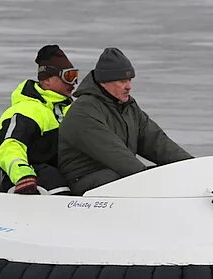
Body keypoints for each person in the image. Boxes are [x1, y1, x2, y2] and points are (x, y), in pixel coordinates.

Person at [58, 47, 193, 195]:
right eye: (122, 81)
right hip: (84, 180)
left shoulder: (128, 107)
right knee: (135, 179)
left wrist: (192, 167)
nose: (129, 86)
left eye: (129, 80)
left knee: (166, 174)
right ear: (104, 81)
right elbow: (115, 154)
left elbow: (157, 142)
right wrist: (148, 180)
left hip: (119, 173)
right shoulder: (84, 111)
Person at [0, 45, 78, 195]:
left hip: (65, 171)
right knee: (55, 180)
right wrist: (22, 174)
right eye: (68, 77)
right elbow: (10, 146)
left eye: (74, 76)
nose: (73, 84)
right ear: (46, 81)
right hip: (28, 179)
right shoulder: (27, 110)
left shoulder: (72, 110)